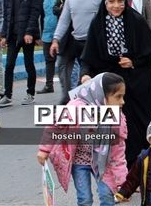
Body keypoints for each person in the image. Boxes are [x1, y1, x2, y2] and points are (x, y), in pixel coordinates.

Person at [80, 0, 151, 167]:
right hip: (108, 83)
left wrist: (133, 62)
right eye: (111, 1)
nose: (116, 6)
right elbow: (89, 56)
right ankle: (114, 169)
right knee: (111, 127)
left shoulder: (135, 21)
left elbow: (150, 51)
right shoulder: (97, 23)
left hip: (134, 80)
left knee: (136, 125)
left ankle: (137, 167)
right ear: (105, 3)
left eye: (120, 1)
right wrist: (85, 74)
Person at [37, 72, 128, 206]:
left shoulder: (116, 119)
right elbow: (54, 125)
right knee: (84, 199)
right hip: (79, 162)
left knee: (107, 196)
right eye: (118, 97)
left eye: (123, 97)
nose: (122, 102)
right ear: (101, 95)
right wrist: (44, 150)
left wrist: (123, 182)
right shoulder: (76, 108)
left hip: (103, 163)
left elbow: (118, 153)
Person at [50, 0, 103, 104]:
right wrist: (56, 40)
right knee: (66, 69)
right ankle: (69, 100)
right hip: (76, 42)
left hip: (93, 44)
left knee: (89, 77)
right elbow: (64, 20)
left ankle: (92, 107)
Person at [0, 0, 42, 107]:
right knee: (9, 65)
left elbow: (34, 14)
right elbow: (7, 16)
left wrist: (30, 32)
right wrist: (4, 35)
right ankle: (7, 96)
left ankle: (30, 94)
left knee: (29, 64)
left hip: (26, 35)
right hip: (12, 36)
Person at [37, 0, 61, 94]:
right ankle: (49, 85)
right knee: (49, 61)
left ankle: (67, 87)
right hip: (46, 34)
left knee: (63, 62)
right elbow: (40, 16)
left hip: (61, 34)